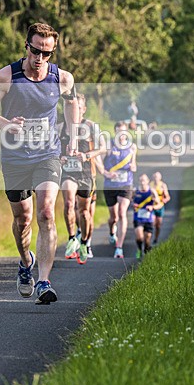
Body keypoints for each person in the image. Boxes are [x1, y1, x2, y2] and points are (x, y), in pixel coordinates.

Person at [0, 22, 80, 305]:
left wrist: (72, 136)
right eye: (36, 51)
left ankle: (45, 281)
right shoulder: (7, 76)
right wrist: (6, 124)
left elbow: (72, 103)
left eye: (47, 53)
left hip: (47, 154)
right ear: (27, 47)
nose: (40, 58)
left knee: (47, 212)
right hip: (14, 158)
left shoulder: (62, 78)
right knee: (22, 219)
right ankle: (26, 263)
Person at [58, 94, 105, 265]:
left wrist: (87, 155)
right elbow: (52, 149)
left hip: (86, 173)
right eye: (72, 106)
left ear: (83, 109)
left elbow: (103, 148)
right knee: (69, 203)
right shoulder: (60, 127)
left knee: (84, 212)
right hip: (68, 173)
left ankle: (84, 242)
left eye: (78, 107)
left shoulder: (91, 126)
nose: (75, 110)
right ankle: (72, 238)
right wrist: (60, 157)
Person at [99, 120, 137, 259]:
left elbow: (134, 164)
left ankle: (119, 248)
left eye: (124, 131)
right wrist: (105, 173)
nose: (122, 134)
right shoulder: (109, 145)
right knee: (113, 217)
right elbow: (98, 162)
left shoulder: (132, 147)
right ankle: (111, 231)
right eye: (119, 131)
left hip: (126, 184)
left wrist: (133, 166)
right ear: (115, 132)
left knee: (122, 213)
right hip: (110, 185)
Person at [133, 173, 160, 258]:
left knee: (147, 238)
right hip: (138, 217)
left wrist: (152, 207)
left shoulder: (152, 191)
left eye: (144, 180)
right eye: (141, 180)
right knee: (140, 237)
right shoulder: (135, 191)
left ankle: (147, 249)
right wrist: (133, 204)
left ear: (148, 181)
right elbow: (129, 201)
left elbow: (159, 204)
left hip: (149, 219)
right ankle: (139, 249)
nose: (142, 182)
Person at [150, 171, 171, 244]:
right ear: (153, 177)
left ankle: (156, 238)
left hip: (160, 206)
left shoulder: (163, 185)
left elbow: (167, 197)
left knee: (158, 225)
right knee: (152, 222)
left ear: (160, 178)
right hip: (152, 206)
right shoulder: (150, 185)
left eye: (157, 177)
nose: (156, 178)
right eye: (155, 177)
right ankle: (149, 237)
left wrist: (164, 200)